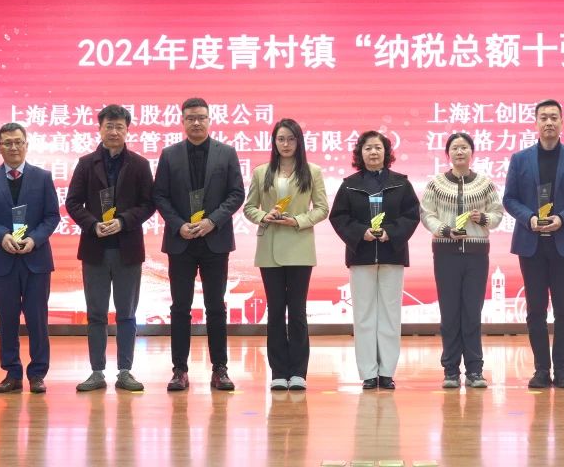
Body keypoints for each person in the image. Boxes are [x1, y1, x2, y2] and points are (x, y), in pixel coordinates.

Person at [153, 97, 245, 391]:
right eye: (190, 118)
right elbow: (159, 195)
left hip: (214, 240)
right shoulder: (169, 155)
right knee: (180, 307)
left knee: (215, 306)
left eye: (201, 117)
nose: (196, 122)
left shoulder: (226, 153)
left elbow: (236, 194)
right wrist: (179, 224)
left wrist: (212, 221)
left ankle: (220, 369)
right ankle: (179, 370)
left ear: (209, 120)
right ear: (182, 121)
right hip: (181, 240)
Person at [503, 99, 564, 389]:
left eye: (554, 117)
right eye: (544, 117)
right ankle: (541, 369)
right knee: (535, 310)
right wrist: (529, 218)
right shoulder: (520, 159)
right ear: (536, 122)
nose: (549, 122)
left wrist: (562, 219)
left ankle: (563, 370)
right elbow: (509, 199)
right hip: (531, 244)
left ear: (562, 122)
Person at [66, 104, 155, 392]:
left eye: (119, 126)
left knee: (127, 313)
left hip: (127, 249)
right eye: (109, 126)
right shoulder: (86, 163)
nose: (114, 131)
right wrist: (92, 224)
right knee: (96, 313)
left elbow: (149, 204)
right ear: (100, 129)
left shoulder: (140, 164)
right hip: (95, 249)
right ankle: (96, 372)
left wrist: (123, 221)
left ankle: (125, 371)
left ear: (128, 130)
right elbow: (72, 202)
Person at [0, 122, 60, 394]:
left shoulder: (42, 177)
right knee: (7, 319)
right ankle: (12, 373)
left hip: (36, 260)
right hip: (1, 260)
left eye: (18, 142)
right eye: (7, 143)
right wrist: (2, 237)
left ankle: (37, 374)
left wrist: (34, 239)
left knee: (37, 319)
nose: (13, 147)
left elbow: (52, 216)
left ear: (26, 145)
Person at [243, 118, 329, 391]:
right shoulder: (261, 172)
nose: (286, 144)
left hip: (299, 246)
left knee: (298, 311)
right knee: (276, 310)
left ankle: (299, 372)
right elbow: (249, 207)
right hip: (269, 248)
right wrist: (263, 216)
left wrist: (299, 220)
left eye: (291, 139)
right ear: (274, 142)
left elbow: (322, 208)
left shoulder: (312, 171)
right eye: (281, 139)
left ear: (299, 142)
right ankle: (278, 371)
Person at [330, 130, 420, 390]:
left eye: (378, 148)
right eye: (368, 148)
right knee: (364, 316)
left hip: (392, 255)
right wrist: (361, 233)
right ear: (360, 153)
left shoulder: (401, 183)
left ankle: (387, 372)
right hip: (361, 256)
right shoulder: (349, 184)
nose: (373, 152)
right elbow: (339, 217)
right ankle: (368, 373)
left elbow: (412, 215)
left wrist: (391, 232)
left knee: (391, 315)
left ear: (386, 152)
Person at [420, 132, 503, 390]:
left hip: (476, 254)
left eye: (464, 147)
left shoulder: (485, 183)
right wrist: (445, 230)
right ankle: (451, 370)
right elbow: (427, 214)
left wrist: (483, 218)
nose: (459, 152)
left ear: (472, 152)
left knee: (472, 312)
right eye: (455, 148)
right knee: (449, 313)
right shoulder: (435, 184)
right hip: (445, 252)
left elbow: (498, 214)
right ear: (448, 153)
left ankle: (475, 370)